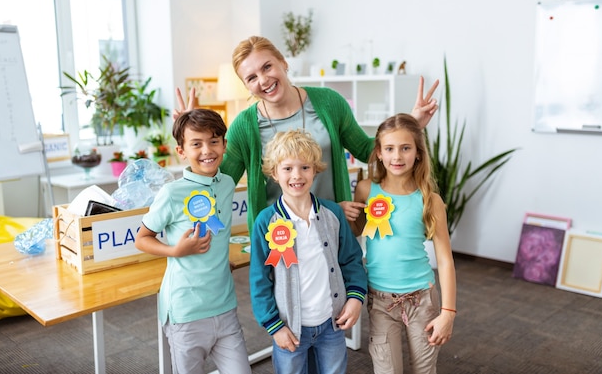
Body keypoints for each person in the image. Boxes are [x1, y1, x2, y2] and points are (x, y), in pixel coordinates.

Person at [174, 36, 439, 230]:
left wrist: (411, 125)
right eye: (251, 78)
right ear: (246, 86)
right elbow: (221, 180)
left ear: (283, 62)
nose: (263, 80)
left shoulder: (329, 103)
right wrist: (193, 136)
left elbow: (367, 149)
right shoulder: (245, 125)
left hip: (333, 225)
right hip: (278, 236)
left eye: (267, 67)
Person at [135, 109, 251, 374]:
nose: (207, 150)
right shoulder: (171, 193)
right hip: (186, 313)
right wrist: (176, 250)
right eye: (196, 144)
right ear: (181, 151)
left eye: (213, 141)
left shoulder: (227, 183)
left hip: (224, 306)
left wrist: (220, 260)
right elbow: (142, 239)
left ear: (224, 145)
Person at [249, 129, 367, 374]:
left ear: (315, 170)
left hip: (332, 324)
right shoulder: (265, 221)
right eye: (288, 168)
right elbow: (259, 279)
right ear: (274, 173)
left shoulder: (332, 213)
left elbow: (352, 259)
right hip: (289, 329)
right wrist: (274, 326)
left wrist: (356, 298)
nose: (297, 175)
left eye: (305, 167)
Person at [350, 113, 456, 374]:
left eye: (405, 148)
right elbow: (357, 233)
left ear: (418, 153)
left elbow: (444, 260)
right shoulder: (365, 190)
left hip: (422, 299)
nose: (397, 157)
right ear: (379, 153)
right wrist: (347, 214)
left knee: (424, 369)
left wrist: (448, 313)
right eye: (389, 149)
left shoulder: (431, 200)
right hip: (381, 302)